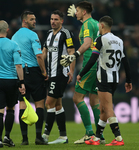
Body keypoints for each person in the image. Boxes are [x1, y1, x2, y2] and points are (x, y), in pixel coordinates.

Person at [77, 16, 132, 146]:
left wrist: (81, 73)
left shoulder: (100, 39)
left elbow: (92, 59)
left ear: (101, 26)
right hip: (115, 79)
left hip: (103, 78)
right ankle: (96, 138)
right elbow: (126, 62)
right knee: (102, 110)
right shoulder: (119, 41)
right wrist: (128, 80)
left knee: (107, 108)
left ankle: (118, 138)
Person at [60, 1, 105, 144]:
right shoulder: (96, 23)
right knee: (94, 101)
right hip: (99, 63)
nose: (76, 13)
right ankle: (100, 136)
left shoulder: (86, 25)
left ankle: (90, 134)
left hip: (89, 64)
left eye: (78, 11)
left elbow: (86, 43)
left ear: (84, 12)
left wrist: (74, 55)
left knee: (77, 98)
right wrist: (76, 15)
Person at [0, 20, 25, 148]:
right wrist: (22, 82)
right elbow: (18, 65)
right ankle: (7, 136)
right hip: (11, 81)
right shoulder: (13, 45)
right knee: (11, 109)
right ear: (8, 30)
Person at [11, 11, 48, 145]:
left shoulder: (14, 37)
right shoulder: (33, 35)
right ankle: (38, 137)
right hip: (34, 72)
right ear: (24, 21)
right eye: (32, 19)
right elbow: (39, 56)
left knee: (22, 105)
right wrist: (44, 72)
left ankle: (24, 139)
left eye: (35, 19)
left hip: (20, 73)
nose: (34, 22)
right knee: (39, 103)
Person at [41, 10, 75, 144]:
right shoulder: (49, 34)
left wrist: (71, 71)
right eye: (51, 19)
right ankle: (63, 137)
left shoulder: (66, 34)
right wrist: (41, 69)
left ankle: (45, 136)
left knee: (49, 103)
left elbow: (72, 52)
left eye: (56, 19)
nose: (53, 22)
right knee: (58, 105)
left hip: (60, 74)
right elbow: (44, 52)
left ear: (62, 21)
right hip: (50, 74)